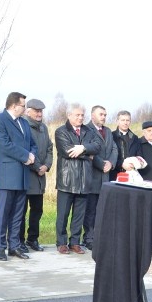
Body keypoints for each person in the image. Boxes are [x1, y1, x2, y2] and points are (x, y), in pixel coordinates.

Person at [0, 91, 37, 261]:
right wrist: (26, 156)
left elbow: (33, 144)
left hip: (23, 175)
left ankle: (14, 246)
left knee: (18, 214)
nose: (25, 109)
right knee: (3, 213)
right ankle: (0, 248)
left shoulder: (24, 123)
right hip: (7, 175)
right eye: (23, 105)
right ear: (14, 105)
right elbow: (5, 145)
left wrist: (32, 154)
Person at [54, 103, 101, 254]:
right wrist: (88, 154)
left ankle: (74, 242)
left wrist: (82, 148)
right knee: (63, 214)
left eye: (82, 115)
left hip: (84, 180)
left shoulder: (88, 131)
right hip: (67, 180)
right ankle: (61, 242)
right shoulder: (61, 131)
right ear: (69, 115)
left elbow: (97, 146)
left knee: (79, 215)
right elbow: (67, 151)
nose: (80, 118)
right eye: (77, 115)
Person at [83, 105, 116, 250]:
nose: (103, 117)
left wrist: (111, 163)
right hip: (92, 176)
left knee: (101, 209)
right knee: (90, 210)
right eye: (101, 114)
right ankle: (88, 238)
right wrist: (101, 164)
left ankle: (99, 236)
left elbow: (114, 149)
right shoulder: (86, 130)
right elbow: (89, 151)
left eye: (105, 114)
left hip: (106, 177)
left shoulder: (108, 131)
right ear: (92, 115)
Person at [21, 98, 52, 252]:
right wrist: (38, 166)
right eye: (36, 111)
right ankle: (19, 241)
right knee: (21, 212)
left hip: (40, 178)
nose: (39, 113)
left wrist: (46, 165)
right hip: (27, 176)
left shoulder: (44, 128)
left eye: (41, 111)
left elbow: (49, 149)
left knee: (37, 210)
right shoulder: (24, 126)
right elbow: (25, 150)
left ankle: (32, 239)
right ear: (28, 111)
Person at [110, 110, 138, 180]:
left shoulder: (135, 138)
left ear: (130, 121)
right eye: (123, 120)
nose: (125, 123)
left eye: (127, 120)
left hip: (131, 175)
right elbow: (108, 155)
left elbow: (138, 155)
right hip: (114, 174)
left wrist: (133, 165)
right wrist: (121, 164)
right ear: (117, 121)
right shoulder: (111, 136)